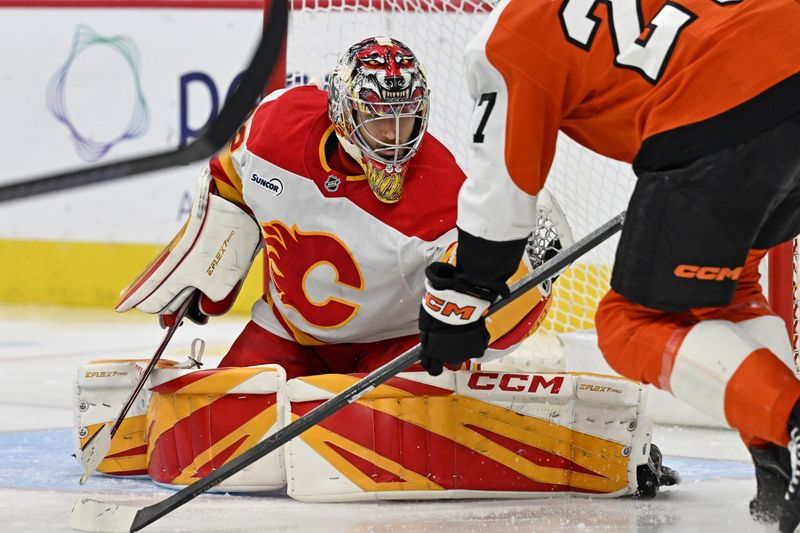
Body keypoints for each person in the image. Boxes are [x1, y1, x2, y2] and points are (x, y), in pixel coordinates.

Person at [416, 1, 800, 530]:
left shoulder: (510, 33)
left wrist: (460, 297)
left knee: (629, 326)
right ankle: (779, 472)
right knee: (727, 292)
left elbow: (503, 189)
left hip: (725, 104)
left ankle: (791, 421)